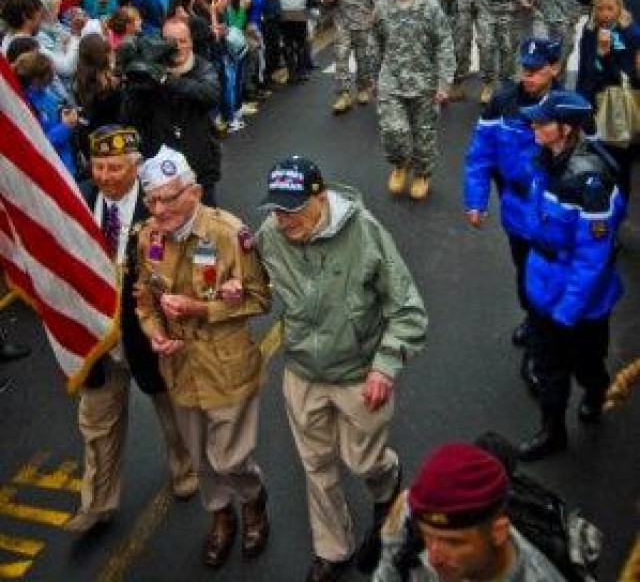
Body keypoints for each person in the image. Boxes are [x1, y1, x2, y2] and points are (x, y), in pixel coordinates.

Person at [256, 156, 428, 582]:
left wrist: (385, 368)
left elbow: (408, 310)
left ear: (319, 197)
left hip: (359, 374)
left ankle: (387, 480)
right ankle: (333, 549)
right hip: (302, 372)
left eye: (292, 209)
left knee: (363, 462)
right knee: (316, 466)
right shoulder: (269, 236)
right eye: (276, 210)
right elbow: (253, 284)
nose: (282, 220)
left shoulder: (366, 232)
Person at [135, 147, 271, 568]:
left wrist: (203, 309)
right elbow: (144, 300)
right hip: (180, 368)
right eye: (151, 200)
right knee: (200, 457)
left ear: (193, 192)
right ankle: (221, 517)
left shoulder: (230, 234)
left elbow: (260, 300)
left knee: (229, 456)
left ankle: (253, 500)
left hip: (226, 365)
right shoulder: (148, 237)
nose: (159, 210)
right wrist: (156, 335)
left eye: (168, 198)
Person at [64, 127, 196, 532]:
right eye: (99, 165)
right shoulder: (74, 198)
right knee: (96, 422)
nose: (105, 175)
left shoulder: (160, 203)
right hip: (97, 337)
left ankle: (185, 468)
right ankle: (98, 503)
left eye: (115, 167)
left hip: (150, 333)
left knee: (173, 409)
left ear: (136, 166)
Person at [516, 91, 626, 461]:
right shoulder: (544, 158)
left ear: (565, 129)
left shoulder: (591, 180)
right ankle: (553, 430)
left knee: (587, 362)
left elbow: (591, 260)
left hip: (580, 300)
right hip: (543, 284)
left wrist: (567, 311)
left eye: (542, 122)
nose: (534, 125)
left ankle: (596, 392)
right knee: (548, 366)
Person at [464, 38, 563, 393]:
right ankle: (532, 317)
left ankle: (538, 350)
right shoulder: (503, 102)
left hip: (555, 213)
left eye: (536, 70)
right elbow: (481, 156)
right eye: (525, 69)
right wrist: (476, 201)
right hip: (518, 210)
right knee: (525, 271)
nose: (529, 76)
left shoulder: (569, 106)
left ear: (555, 68)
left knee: (547, 278)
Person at [373, 442, 568, 581]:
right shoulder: (410, 508)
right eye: (427, 536)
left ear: (498, 532)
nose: (434, 557)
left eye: (454, 542)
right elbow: (389, 563)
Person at [372, 0, 455, 200]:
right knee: (392, 130)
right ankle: (400, 164)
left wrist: (444, 83)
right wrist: (375, 78)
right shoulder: (382, 6)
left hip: (423, 80)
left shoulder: (429, 6)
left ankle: (422, 173)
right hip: (392, 79)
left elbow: (444, 44)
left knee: (424, 134)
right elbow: (375, 43)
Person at [121, 17, 222, 206]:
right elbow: (129, 117)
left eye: (183, 41)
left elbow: (210, 94)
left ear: (191, 42)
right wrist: (134, 84)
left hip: (199, 167)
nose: (177, 47)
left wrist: (166, 80)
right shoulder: (148, 70)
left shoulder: (203, 67)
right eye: (171, 42)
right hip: (161, 173)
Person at [576, 0, 640, 198]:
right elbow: (586, 70)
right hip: (594, 101)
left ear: (619, 7)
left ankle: (621, 201)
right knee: (598, 160)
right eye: (600, 8)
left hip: (618, 105)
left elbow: (627, 76)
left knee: (620, 162)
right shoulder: (590, 29)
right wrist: (580, 103)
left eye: (610, 8)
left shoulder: (630, 32)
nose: (605, 14)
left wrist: (607, 54)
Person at [323, 0, 374, 114]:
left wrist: (375, 10)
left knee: (364, 57)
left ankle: (362, 88)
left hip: (363, 16)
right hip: (342, 17)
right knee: (341, 55)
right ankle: (343, 94)